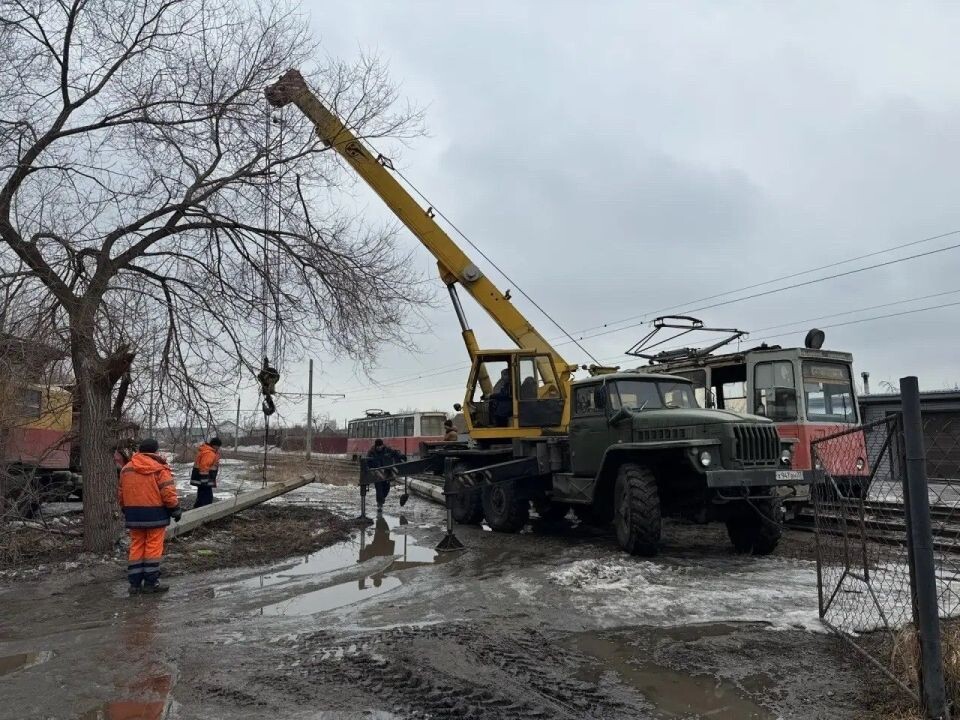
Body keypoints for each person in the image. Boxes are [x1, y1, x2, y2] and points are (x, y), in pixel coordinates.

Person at [117, 438, 181, 595]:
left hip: (133, 514)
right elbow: (168, 492)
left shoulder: (126, 469)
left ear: (140, 450)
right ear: (155, 451)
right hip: (155, 514)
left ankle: (135, 584)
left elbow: (121, 493)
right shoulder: (159, 468)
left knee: (136, 545)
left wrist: (125, 508)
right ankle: (151, 583)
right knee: (153, 547)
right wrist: (175, 508)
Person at [366, 439, 404, 513]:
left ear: (382, 445)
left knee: (387, 488)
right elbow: (367, 462)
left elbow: (395, 453)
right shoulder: (371, 452)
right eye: (378, 446)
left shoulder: (387, 450)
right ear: (375, 446)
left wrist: (401, 456)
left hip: (386, 472)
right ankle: (379, 504)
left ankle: (382, 499)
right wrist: (370, 469)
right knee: (379, 488)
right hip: (377, 473)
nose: (379, 448)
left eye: (380, 446)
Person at [191, 437, 223, 508]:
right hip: (205, 479)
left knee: (202, 496)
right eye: (218, 446)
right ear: (215, 445)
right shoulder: (209, 453)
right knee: (207, 498)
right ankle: (204, 511)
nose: (219, 448)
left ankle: (197, 510)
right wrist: (204, 480)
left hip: (202, 478)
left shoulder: (207, 451)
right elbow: (204, 467)